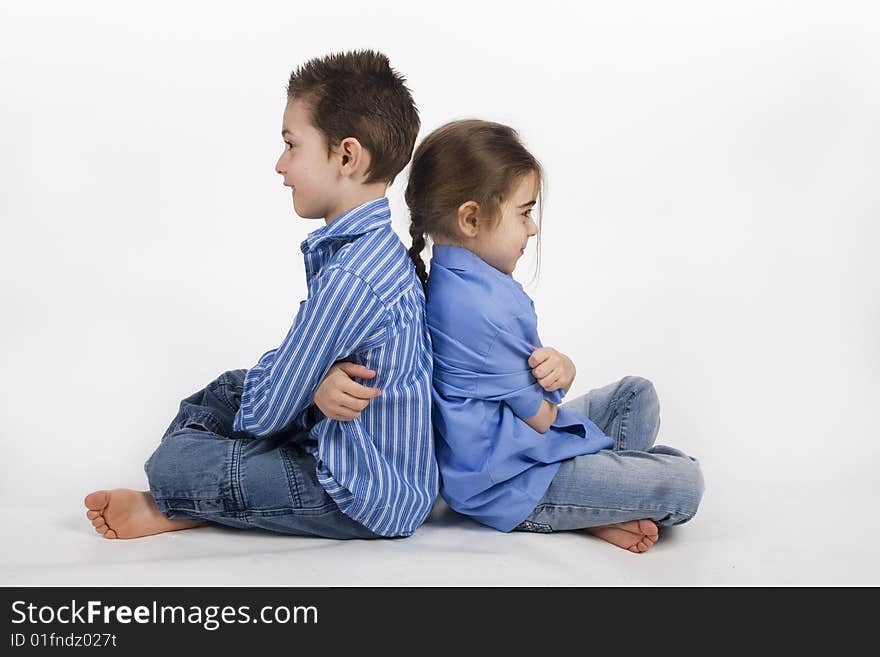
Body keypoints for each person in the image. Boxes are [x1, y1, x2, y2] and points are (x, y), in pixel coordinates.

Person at [84, 50, 439, 540]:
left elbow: (265, 413)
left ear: (347, 156)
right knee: (229, 386)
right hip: (355, 446)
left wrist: (305, 391)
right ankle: (222, 497)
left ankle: (182, 503)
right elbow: (281, 382)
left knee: (172, 463)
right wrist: (311, 388)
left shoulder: (352, 278)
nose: (279, 164)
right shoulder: (375, 251)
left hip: (358, 494)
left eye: (292, 146)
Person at [406, 119, 705, 553]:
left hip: (514, 443)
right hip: (510, 481)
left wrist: (560, 369)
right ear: (471, 218)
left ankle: (596, 506)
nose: (533, 228)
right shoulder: (482, 309)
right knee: (686, 482)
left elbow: (530, 401)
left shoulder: (461, 281)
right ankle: (587, 505)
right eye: (525, 212)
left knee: (634, 395)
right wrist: (564, 373)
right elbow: (544, 418)